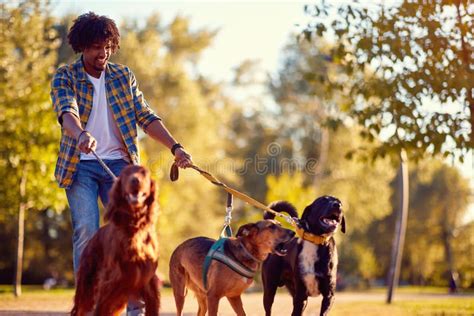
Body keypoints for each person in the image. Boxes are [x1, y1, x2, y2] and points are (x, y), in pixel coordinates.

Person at [50, 12, 192, 315]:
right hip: (81, 165)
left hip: (120, 168)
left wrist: (175, 147)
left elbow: (146, 116)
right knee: (87, 231)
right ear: (81, 47)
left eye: (107, 46)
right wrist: (80, 134)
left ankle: (135, 307)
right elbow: (66, 111)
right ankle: (86, 305)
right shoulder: (66, 76)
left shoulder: (122, 76)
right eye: (94, 47)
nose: (101, 53)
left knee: (132, 233)